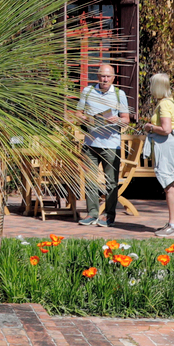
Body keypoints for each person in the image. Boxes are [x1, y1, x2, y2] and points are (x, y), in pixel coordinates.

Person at [75, 63, 129, 227]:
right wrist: (85, 119)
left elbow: (126, 119)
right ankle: (92, 214)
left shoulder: (120, 95)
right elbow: (78, 113)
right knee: (91, 180)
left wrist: (118, 120)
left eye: (108, 76)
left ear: (113, 78)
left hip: (111, 144)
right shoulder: (88, 91)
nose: (105, 79)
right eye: (102, 76)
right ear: (97, 76)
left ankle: (109, 216)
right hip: (90, 142)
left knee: (111, 182)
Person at [142, 72, 174, 236]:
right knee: (171, 186)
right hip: (169, 146)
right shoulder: (170, 102)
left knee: (169, 186)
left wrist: (150, 127)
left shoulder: (164, 105)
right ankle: (173, 223)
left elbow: (166, 129)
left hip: (166, 147)